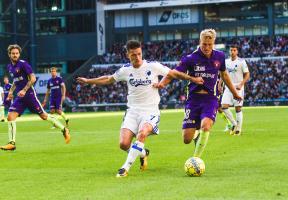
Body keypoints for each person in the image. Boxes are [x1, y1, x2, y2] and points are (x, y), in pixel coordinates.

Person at [77, 40, 203, 177]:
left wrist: (191, 79)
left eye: (139, 54)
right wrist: (89, 81)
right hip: (132, 111)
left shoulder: (153, 66)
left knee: (142, 134)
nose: (137, 57)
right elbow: (108, 79)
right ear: (127, 55)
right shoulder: (125, 70)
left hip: (150, 111)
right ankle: (143, 153)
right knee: (123, 144)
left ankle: (125, 168)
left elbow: (173, 73)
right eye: (133, 55)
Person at [155, 29, 242, 158]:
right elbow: (174, 72)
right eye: (204, 44)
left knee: (206, 126)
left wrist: (234, 92)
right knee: (186, 139)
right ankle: (196, 137)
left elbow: (224, 74)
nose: (207, 47)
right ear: (200, 42)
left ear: (213, 42)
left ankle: (195, 159)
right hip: (193, 99)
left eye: (209, 44)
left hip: (210, 98)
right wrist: (162, 84)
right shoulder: (191, 58)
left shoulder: (219, 56)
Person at [0, 44, 70, 151]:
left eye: (17, 53)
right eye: (13, 53)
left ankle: (64, 129)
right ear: (9, 54)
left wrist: (24, 90)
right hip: (20, 97)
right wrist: (11, 91)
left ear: (19, 54)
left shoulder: (23, 64)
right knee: (10, 116)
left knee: (44, 116)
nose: (15, 55)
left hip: (29, 95)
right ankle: (12, 143)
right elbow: (15, 80)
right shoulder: (10, 67)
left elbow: (32, 79)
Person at [220, 45, 250, 135]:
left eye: (234, 50)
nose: (232, 52)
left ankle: (238, 130)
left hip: (238, 87)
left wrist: (241, 84)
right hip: (228, 87)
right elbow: (223, 74)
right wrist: (219, 84)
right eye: (231, 50)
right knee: (224, 107)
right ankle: (234, 124)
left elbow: (247, 74)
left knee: (238, 108)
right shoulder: (225, 61)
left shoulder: (241, 61)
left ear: (237, 52)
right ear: (229, 52)